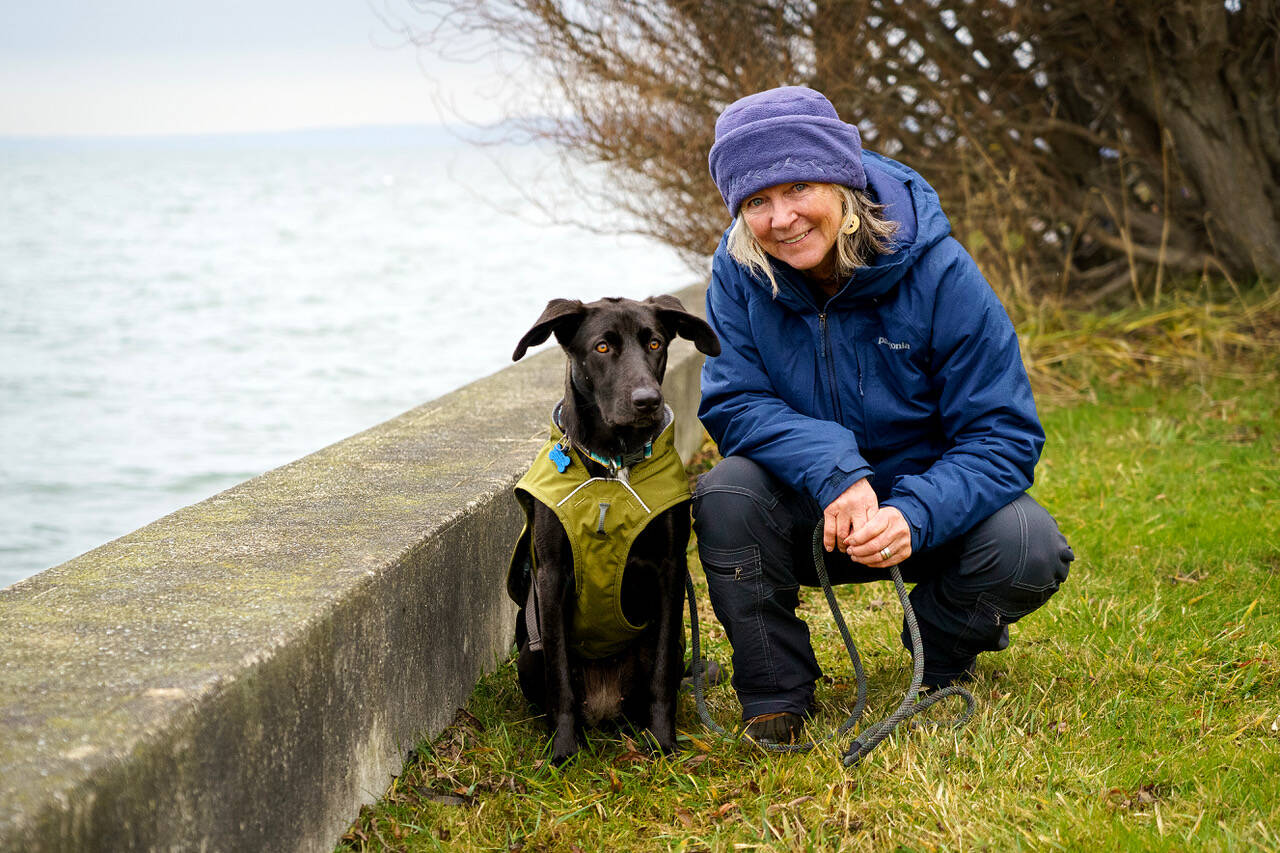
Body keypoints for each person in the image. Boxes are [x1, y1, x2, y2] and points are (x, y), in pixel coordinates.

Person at [693, 86, 1074, 744]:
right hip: (811, 508)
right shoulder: (737, 274)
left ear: (840, 179)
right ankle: (775, 694)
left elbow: (1003, 436)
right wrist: (835, 469)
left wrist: (915, 512)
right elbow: (733, 399)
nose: (781, 218)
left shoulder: (942, 273)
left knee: (1028, 546)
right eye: (756, 201)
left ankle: (939, 650)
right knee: (726, 492)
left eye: (797, 188)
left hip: (928, 513)